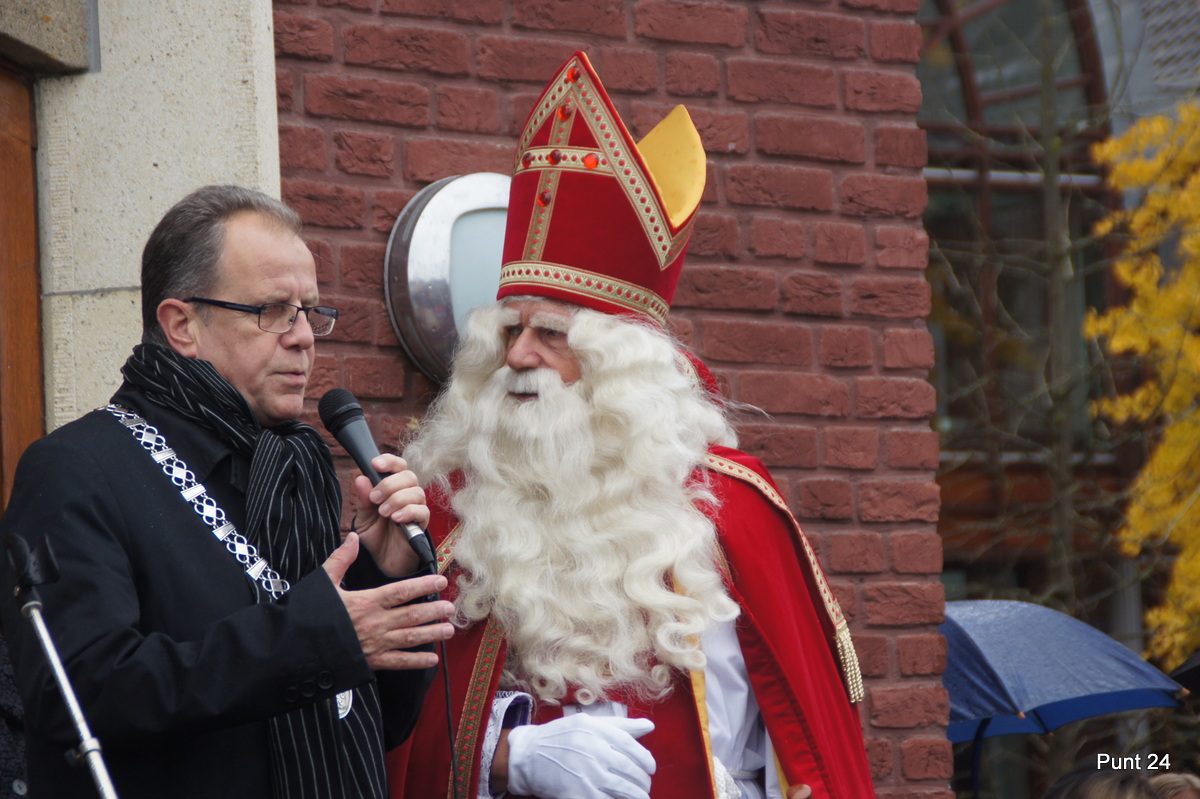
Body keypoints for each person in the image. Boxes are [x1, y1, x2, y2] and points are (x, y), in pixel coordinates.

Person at [385, 52, 875, 799]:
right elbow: (384, 737)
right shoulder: (451, 509)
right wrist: (505, 756)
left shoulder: (735, 513)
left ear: (621, 367)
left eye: (551, 334)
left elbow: (803, 755)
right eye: (508, 331)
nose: (518, 355)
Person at [0, 185, 454, 798]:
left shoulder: (301, 472)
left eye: (311, 311)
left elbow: (376, 729)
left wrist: (377, 573)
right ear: (182, 324)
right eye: (271, 310)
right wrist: (317, 637)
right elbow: (82, 696)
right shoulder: (77, 469)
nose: (303, 337)